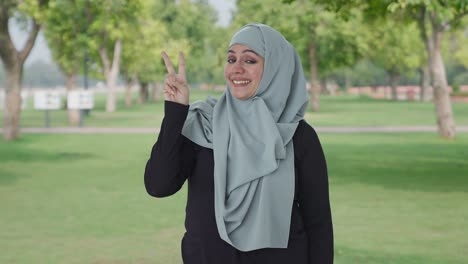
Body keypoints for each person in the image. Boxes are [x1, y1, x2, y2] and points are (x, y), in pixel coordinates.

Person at [144, 23, 333, 264]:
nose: (237, 69)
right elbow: (159, 186)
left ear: (276, 67)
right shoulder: (203, 122)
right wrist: (176, 111)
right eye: (231, 59)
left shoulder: (298, 135)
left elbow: (318, 223)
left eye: (250, 61)